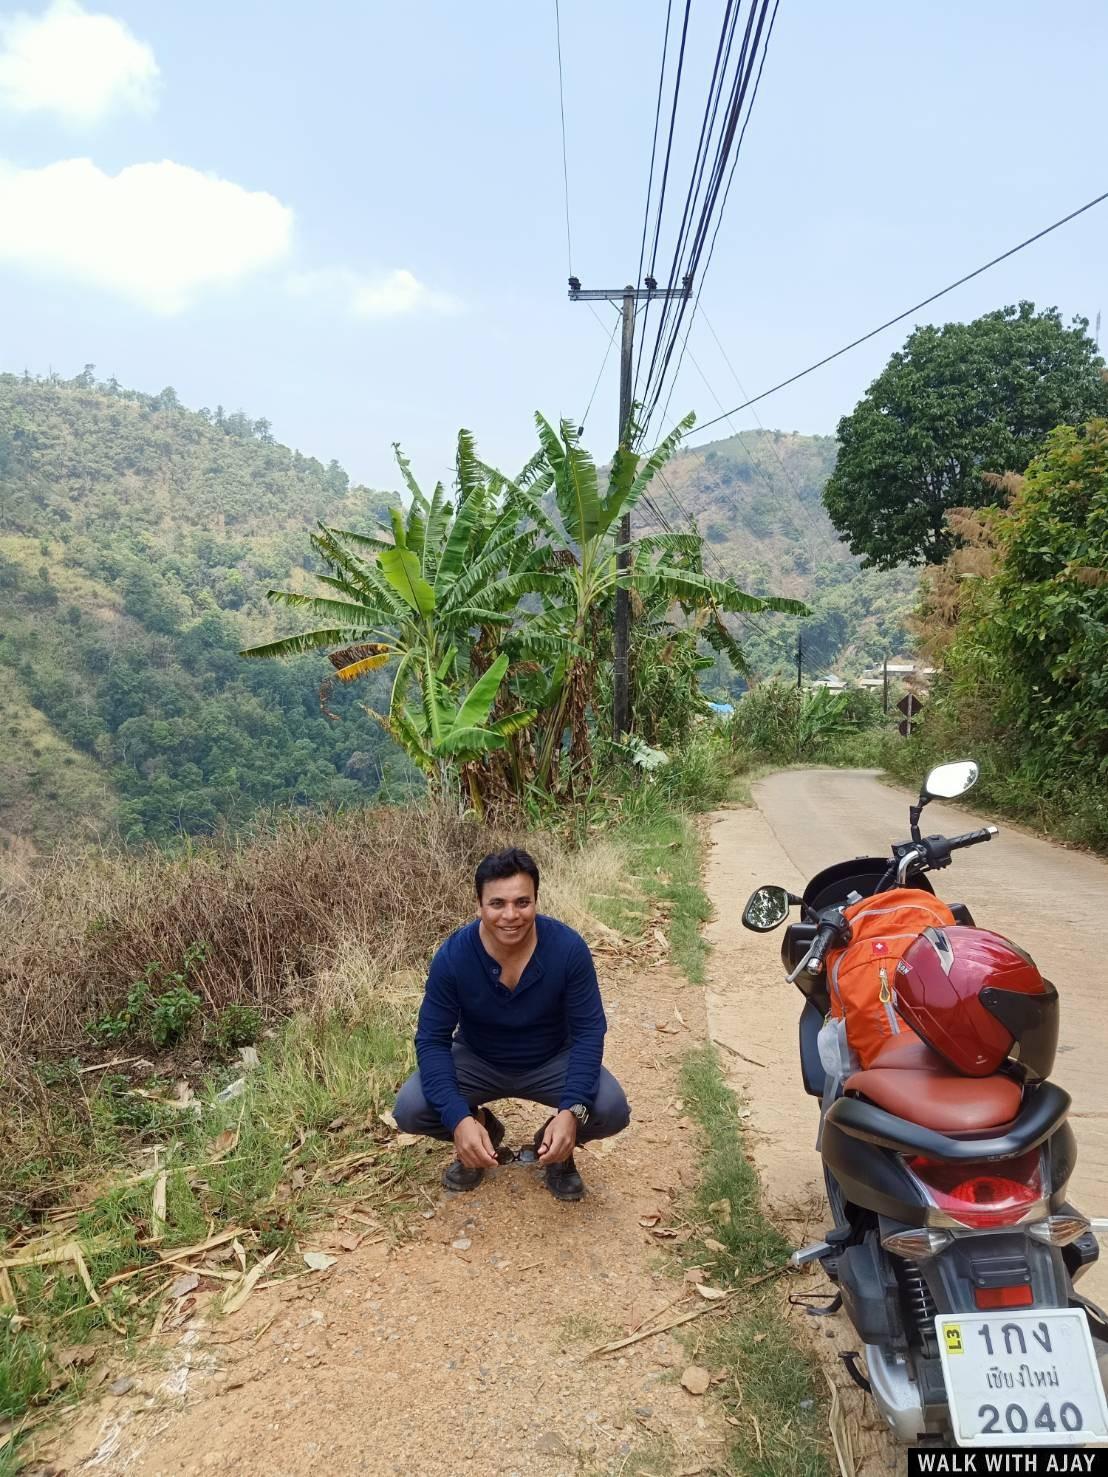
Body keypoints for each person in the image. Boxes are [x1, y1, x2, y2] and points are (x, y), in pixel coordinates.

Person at [393, 847, 630, 1201]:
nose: (511, 915)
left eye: (522, 902)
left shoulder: (567, 949)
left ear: (536, 900)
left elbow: (588, 1033)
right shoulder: (453, 957)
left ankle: (556, 1144)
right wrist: (458, 1119)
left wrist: (571, 1112)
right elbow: (432, 1039)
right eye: (497, 904)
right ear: (479, 905)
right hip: (477, 1059)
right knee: (411, 1109)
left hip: (552, 1059)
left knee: (610, 1109)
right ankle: (479, 1131)